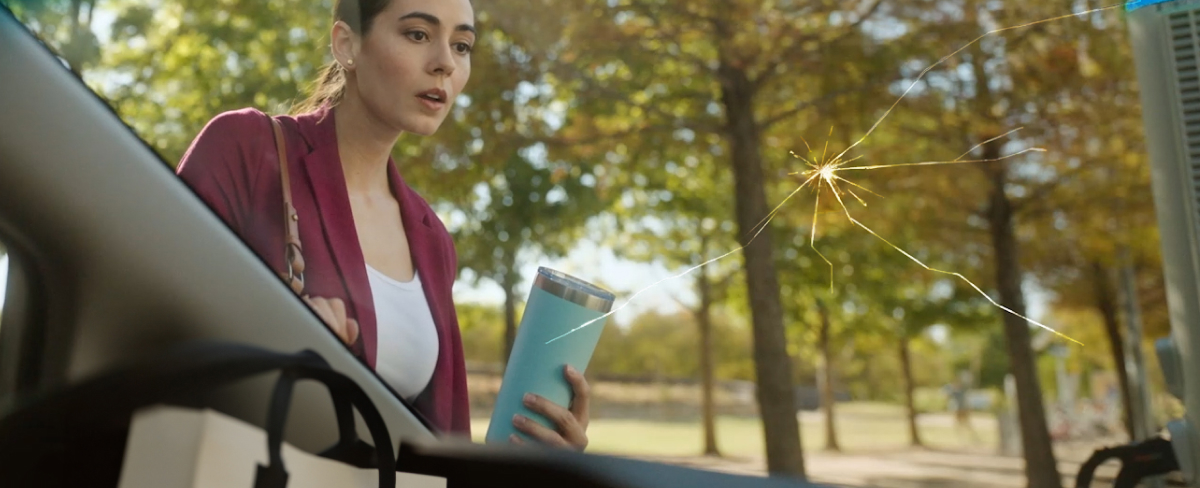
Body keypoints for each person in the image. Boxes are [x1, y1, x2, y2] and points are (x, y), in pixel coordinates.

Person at [175, 0, 591, 449]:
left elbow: (437, 446)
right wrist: (277, 337)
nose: (445, 64)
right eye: (417, 35)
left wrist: (535, 456)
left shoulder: (432, 239)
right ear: (347, 44)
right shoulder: (247, 150)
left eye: (462, 45)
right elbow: (151, 319)